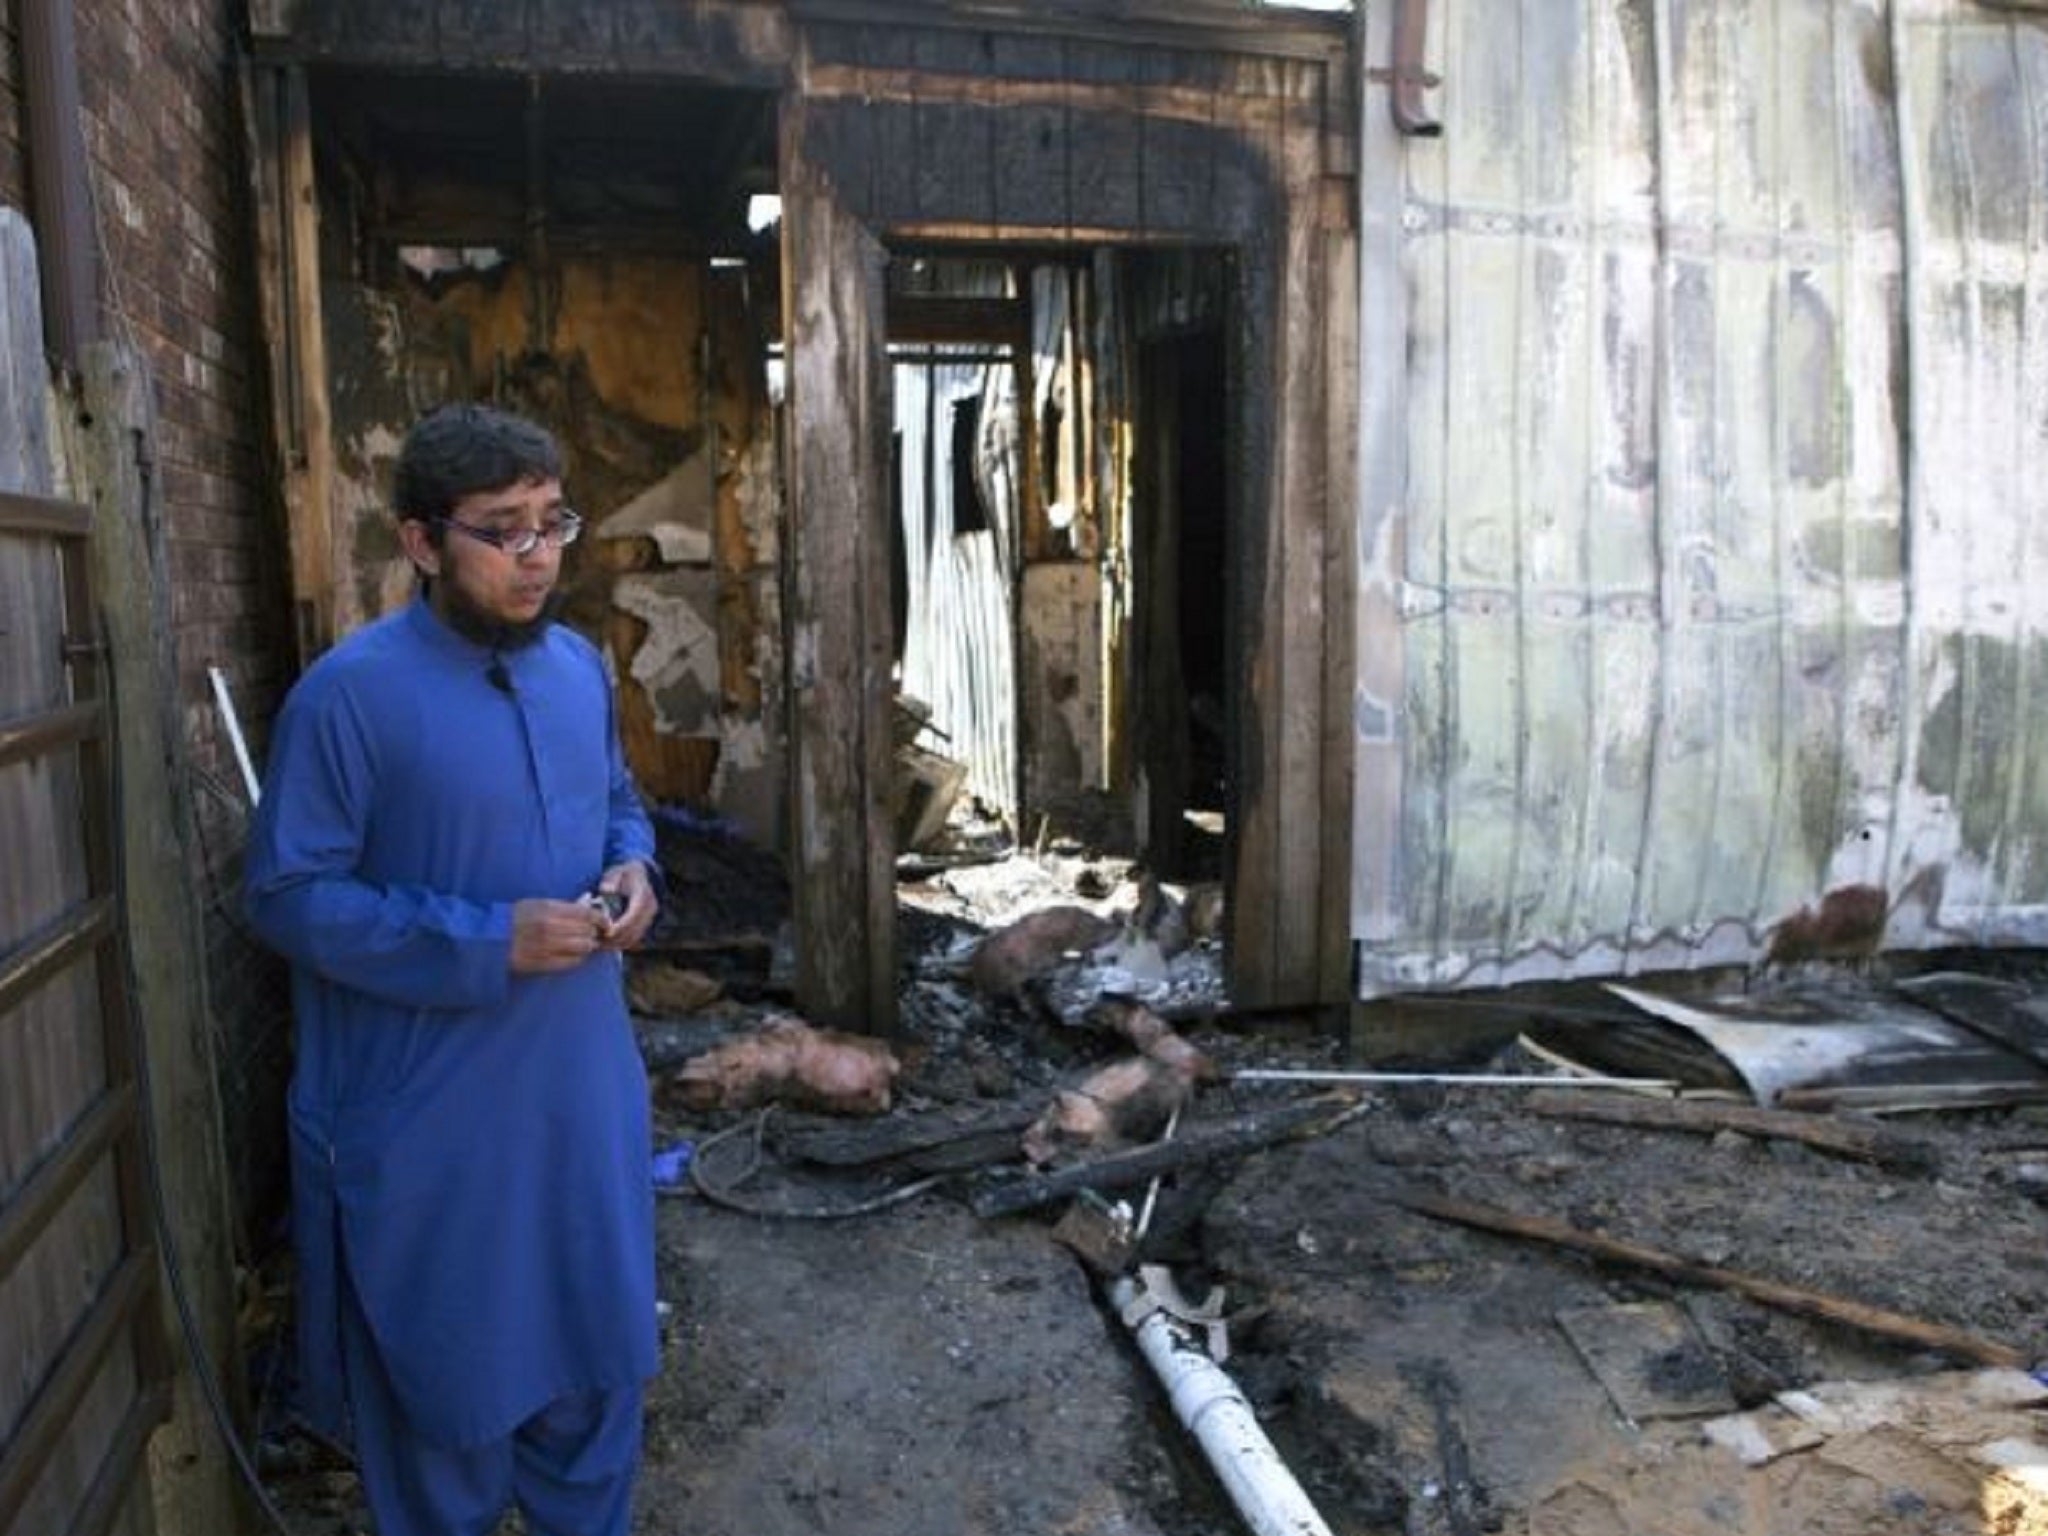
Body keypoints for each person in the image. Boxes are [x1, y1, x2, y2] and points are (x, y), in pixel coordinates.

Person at [245, 403, 662, 1536]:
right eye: (502, 532)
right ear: (422, 544)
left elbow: (618, 805)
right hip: (432, 1126)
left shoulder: (576, 670)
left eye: (551, 523)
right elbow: (284, 896)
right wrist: (486, 941)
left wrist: (634, 872)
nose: (538, 559)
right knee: (446, 1410)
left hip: (580, 1107)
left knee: (595, 1383)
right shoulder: (348, 698)